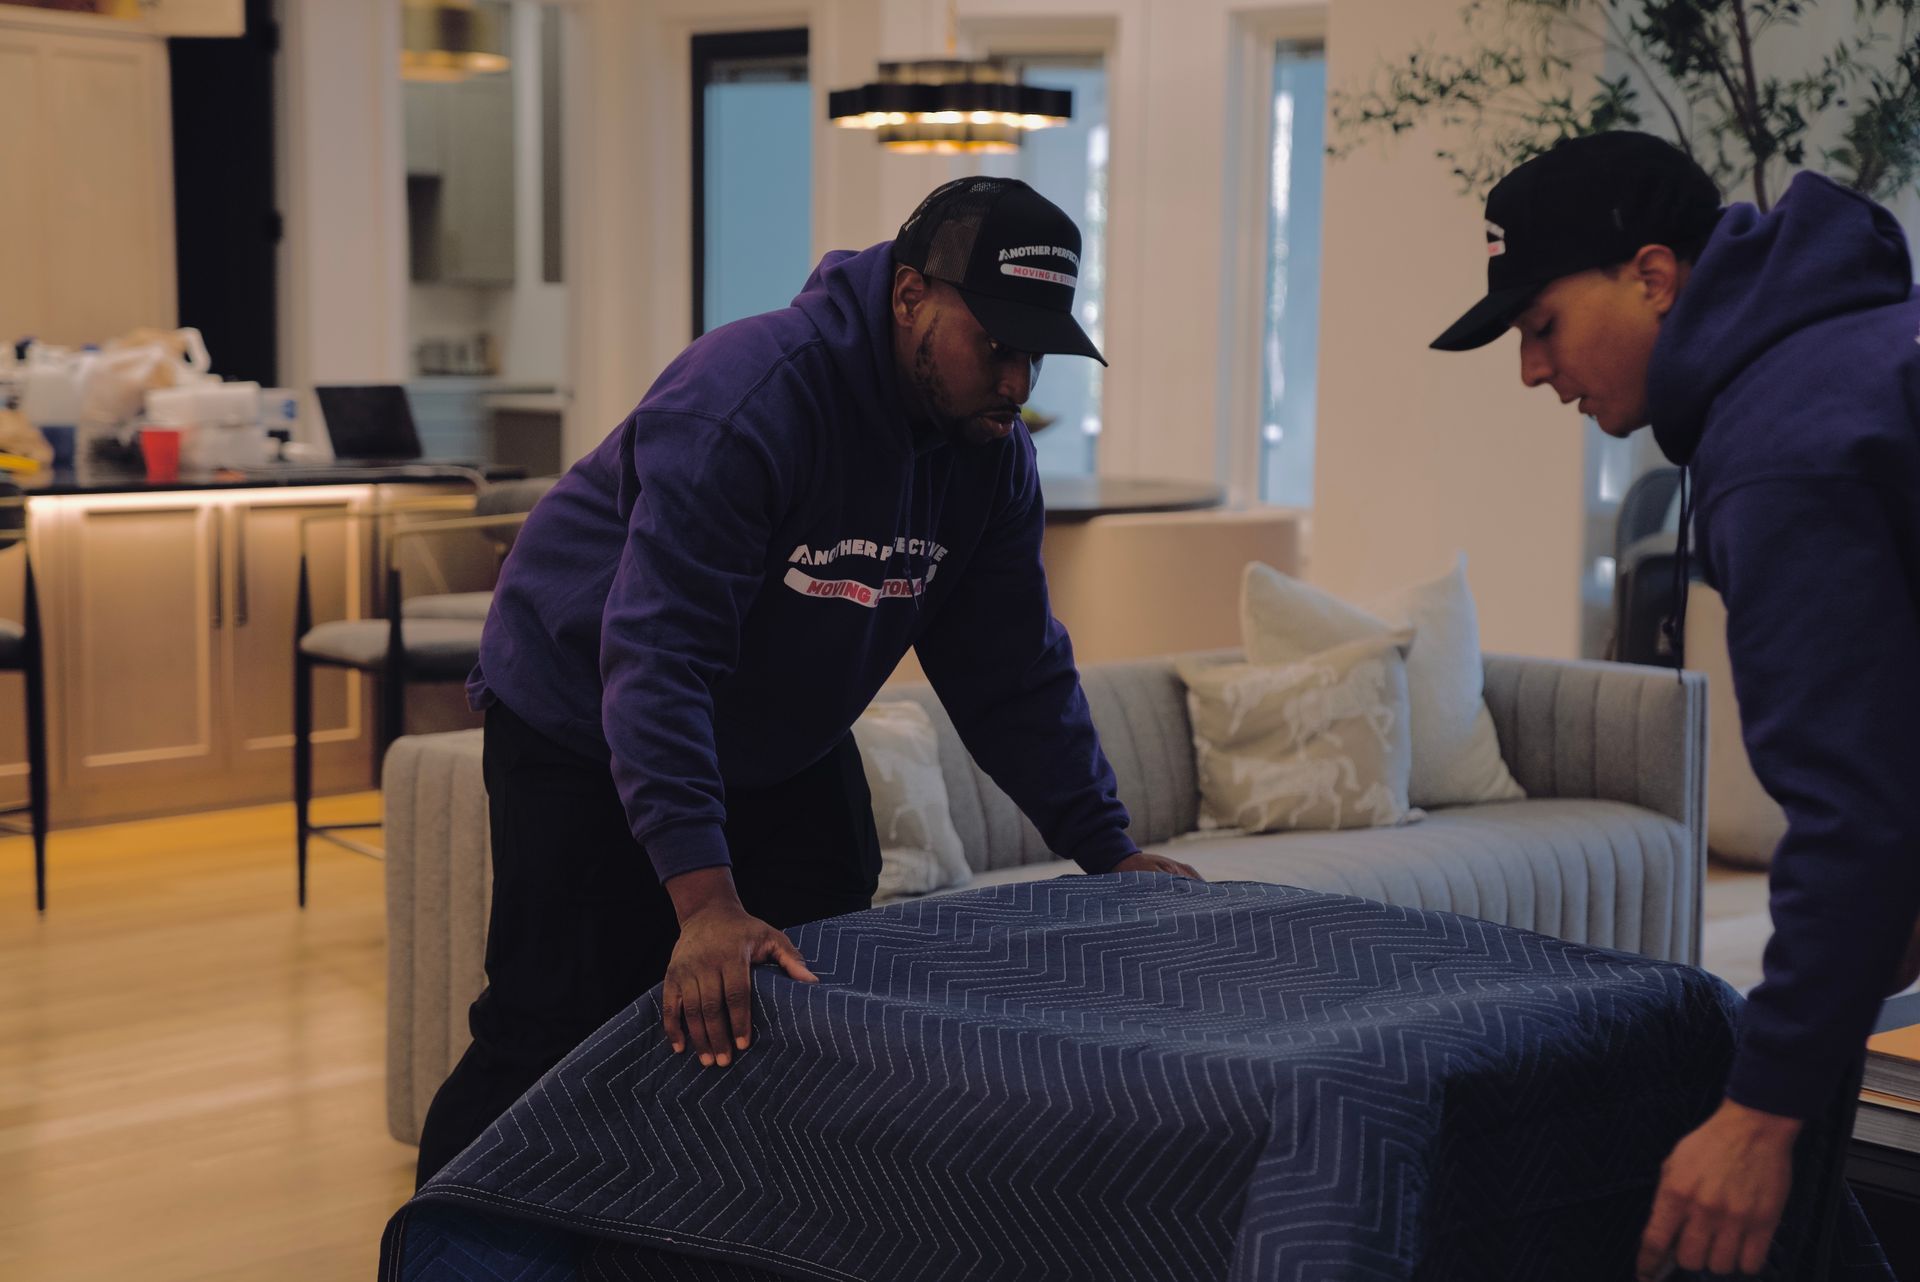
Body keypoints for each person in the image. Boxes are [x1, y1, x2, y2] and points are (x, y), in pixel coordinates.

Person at [413, 177, 1200, 1187]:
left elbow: (1015, 674)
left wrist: (1109, 850)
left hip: (777, 736)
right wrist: (703, 900)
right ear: (910, 294)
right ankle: (445, 1246)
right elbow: (658, 660)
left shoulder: (989, 459)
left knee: (807, 996)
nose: (1017, 380)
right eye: (995, 344)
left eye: (1036, 352)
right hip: (586, 714)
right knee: (556, 1026)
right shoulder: (749, 401)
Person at [1431, 129, 1920, 1279]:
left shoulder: (1788, 447)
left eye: (1541, 326)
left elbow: (1857, 815)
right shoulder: (1856, 356)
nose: (1532, 372)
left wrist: (1761, 1112)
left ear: (1653, 276)